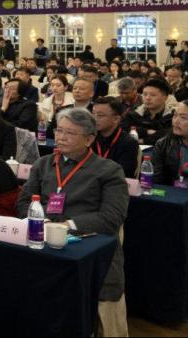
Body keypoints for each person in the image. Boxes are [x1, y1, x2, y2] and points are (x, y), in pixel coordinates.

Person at [16, 108, 129, 332]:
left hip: (89, 245)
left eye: (70, 133)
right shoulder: (43, 164)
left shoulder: (109, 171)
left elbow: (111, 218)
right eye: (59, 131)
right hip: (42, 238)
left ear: (89, 139)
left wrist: (66, 225)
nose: (61, 137)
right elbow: (23, 204)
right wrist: (45, 222)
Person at [91, 97, 139, 179]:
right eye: (93, 114)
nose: (94, 119)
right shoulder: (89, 137)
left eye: (100, 115)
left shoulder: (129, 143)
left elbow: (124, 173)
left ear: (116, 119)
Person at [123, 78, 174, 144]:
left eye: (153, 95)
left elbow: (170, 135)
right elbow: (124, 130)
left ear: (165, 97)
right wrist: (147, 131)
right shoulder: (134, 114)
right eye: (145, 94)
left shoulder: (172, 116)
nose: (147, 98)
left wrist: (143, 140)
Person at [151, 100, 188, 186]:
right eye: (175, 115)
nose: (176, 121)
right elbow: (157, 179)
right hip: (172, 191)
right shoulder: (163, 144)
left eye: (183, 118)